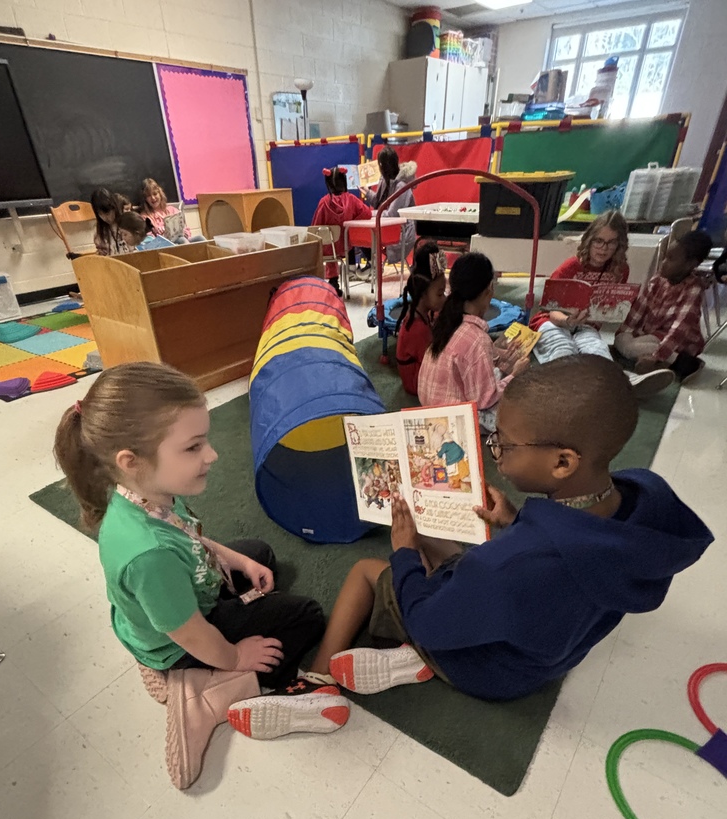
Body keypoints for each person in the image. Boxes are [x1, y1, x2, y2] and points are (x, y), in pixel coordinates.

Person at [300, 356, 713, 700]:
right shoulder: (644, 503)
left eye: (505, 444)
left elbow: (429, 620)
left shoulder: (507, 565)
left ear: (563, 463)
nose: (496, 453)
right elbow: (554, 561)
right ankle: (410, 656)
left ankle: (316, 685)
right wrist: (517, 521)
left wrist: (404, 553)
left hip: (485, 669)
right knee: (434, 540)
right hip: (540, 659)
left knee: (369, 570)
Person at [53, 363, 349, 788]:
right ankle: (211, 691)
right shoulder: (147, 554)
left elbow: (188, 535)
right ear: (131, 461)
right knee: (306, 617)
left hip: (181, 599)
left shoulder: (143, 493)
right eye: (193, 448)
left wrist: (236, 561)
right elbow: (189, 631)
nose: (211, 455)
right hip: (182, 642)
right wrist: (234, 657)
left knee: (258, 555)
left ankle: (211, 656)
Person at [530, 211, 674, 397]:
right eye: (598, 241)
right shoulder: (571, 266)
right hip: (553, 321)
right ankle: (571, 382)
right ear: (589, 240)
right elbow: (550, 311)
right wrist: (568, 321)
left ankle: (624, 380)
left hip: (587, 325)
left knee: (596, 349)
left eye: (611, 242)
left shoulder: (620, 270)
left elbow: (610, 310)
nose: (603, 248)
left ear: (619, 245)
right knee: (562, 347)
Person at [418, 251, 529, 433]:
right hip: (452, 422)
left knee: (496, 372)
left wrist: (497, 360)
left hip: (429, 407)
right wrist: (515, 375)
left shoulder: (447, 321)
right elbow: (485, 399)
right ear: (489, 290)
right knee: (520, 405)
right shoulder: (477, 339)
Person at [615, 230, 713, 384]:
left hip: (678, 343)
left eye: (671, 259)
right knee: (623, 341)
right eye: (664, 257)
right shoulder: (657, 281)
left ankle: (677, 361)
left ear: (690, 264)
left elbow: (678, 330)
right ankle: (665, 363)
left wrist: (657, 355)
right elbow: (637, 312)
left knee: (632, 348)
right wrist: (623, 334)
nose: (663, 263)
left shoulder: (693, 289)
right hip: (653, 336)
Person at [394, 242, 447, 395]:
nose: (443, 298)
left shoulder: (420, 314)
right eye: (440, 294)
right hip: (417, 385)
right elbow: (435, 363)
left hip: (420, 373)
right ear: (423, 294)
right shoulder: (418, 329)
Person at [310, 166, 372, 296]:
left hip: (330, 249)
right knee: (353, 237)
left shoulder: (324, 202)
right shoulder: (351, 199)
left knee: (329, 246)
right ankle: (364, 266)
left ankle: (333, 281)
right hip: (348, 245)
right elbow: (367, 213)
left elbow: (315, 227)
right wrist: (351, 222)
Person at [365, 146, 417, 267]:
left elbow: (391, 215)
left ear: (382, 166)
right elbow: (379, 204)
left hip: (401, 231)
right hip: (387, 226)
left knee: (367, 234)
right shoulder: (384, 180)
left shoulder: (402, 186)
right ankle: (371, 264)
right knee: (360, 234)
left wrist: (368, 214)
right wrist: (367, 192)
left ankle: (372, 265)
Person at [139, 178, 206, 243]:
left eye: (155, 194)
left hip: (181, 240)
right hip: (165, 245)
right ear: (145, 199)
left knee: (200, 238)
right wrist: (159, 234)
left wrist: (185, 233)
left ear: (160, 194)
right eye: (148, 196)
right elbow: (149, 240)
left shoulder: (172, 210)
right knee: (182, 240)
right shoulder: (145, 217)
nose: (153, 198)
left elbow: (185, 228)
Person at [91, 187, 131, 256]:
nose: (105, 218)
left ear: (114, 207)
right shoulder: (100, 233)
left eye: (107, 213)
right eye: (100, 214)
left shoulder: (126, 223)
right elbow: (102, 255)